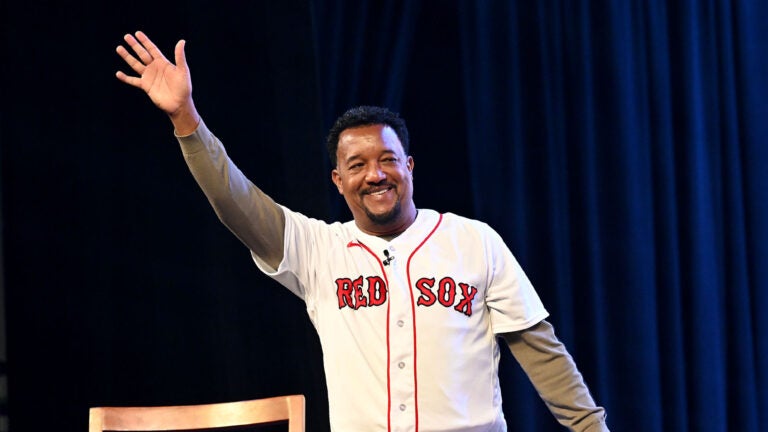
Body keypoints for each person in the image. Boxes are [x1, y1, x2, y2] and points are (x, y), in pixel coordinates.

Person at [115, 30, 609, 432]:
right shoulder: (319, 249)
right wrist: (186, 118)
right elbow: (235, 199)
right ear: (338, 180)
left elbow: (542, 353)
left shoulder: (474, 241)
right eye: (357, 164)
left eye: (388, 160)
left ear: (410, 167)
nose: (374, 174)